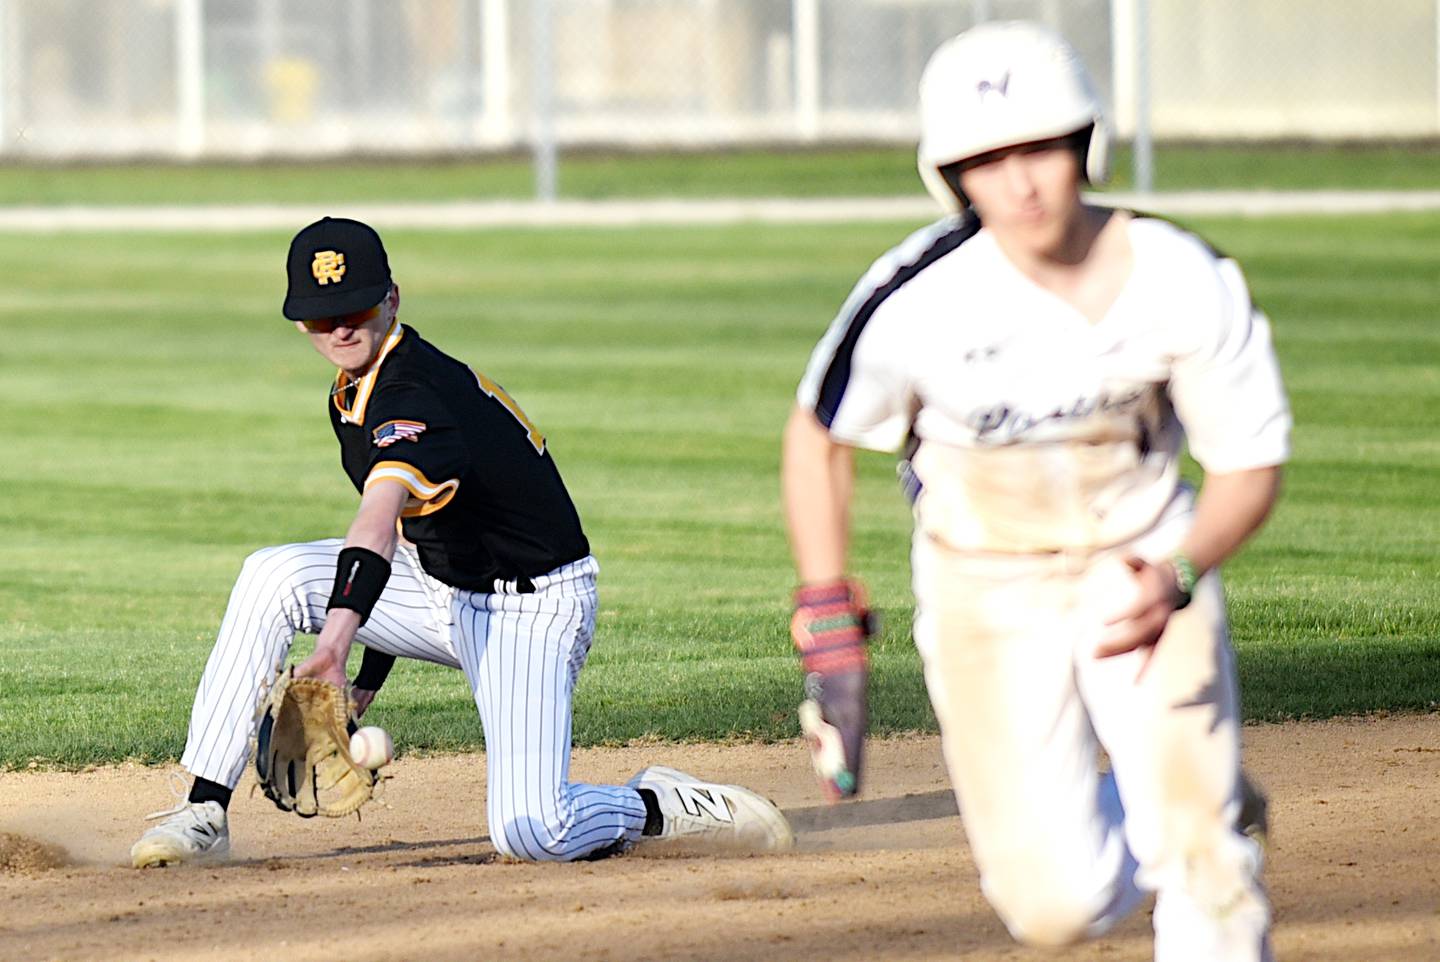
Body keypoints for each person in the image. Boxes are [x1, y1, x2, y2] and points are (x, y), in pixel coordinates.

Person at [782, 22, 1285, 961]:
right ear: (952, 176)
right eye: (988, 158)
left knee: (1205, 864)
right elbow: (819, 435)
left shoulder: (1181, 275)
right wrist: (828, 622)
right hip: (984, 588)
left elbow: (1249, 465)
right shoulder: (918, 296)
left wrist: (1178, 569)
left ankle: (1201, 813)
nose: (1021, 182)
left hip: (1140, 563)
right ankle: (1188, 801)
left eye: (1042, 147)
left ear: (1084, 146)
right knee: (1052, 907)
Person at [132, 216, 792, 867]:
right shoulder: (353, 391)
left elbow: (377, 520)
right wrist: (363, 683)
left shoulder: (413, 393)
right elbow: (409, 537)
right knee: (270, 575)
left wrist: (333, 647)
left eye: (355, 308)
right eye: (317, 315)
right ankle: (204, 809)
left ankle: (651, 804)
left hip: (530, 610)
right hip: (440, 588)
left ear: (392, 299)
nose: (338, 328)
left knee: (535, 832)